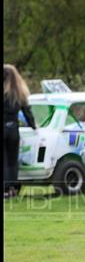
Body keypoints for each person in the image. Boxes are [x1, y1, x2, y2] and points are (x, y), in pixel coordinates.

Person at [3, 64, 37, 198]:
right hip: (13, 130)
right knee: (12, 161)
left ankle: (5, 189)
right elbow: (28, 112)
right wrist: (34, 126)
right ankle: (12, 188)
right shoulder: (19, 93)